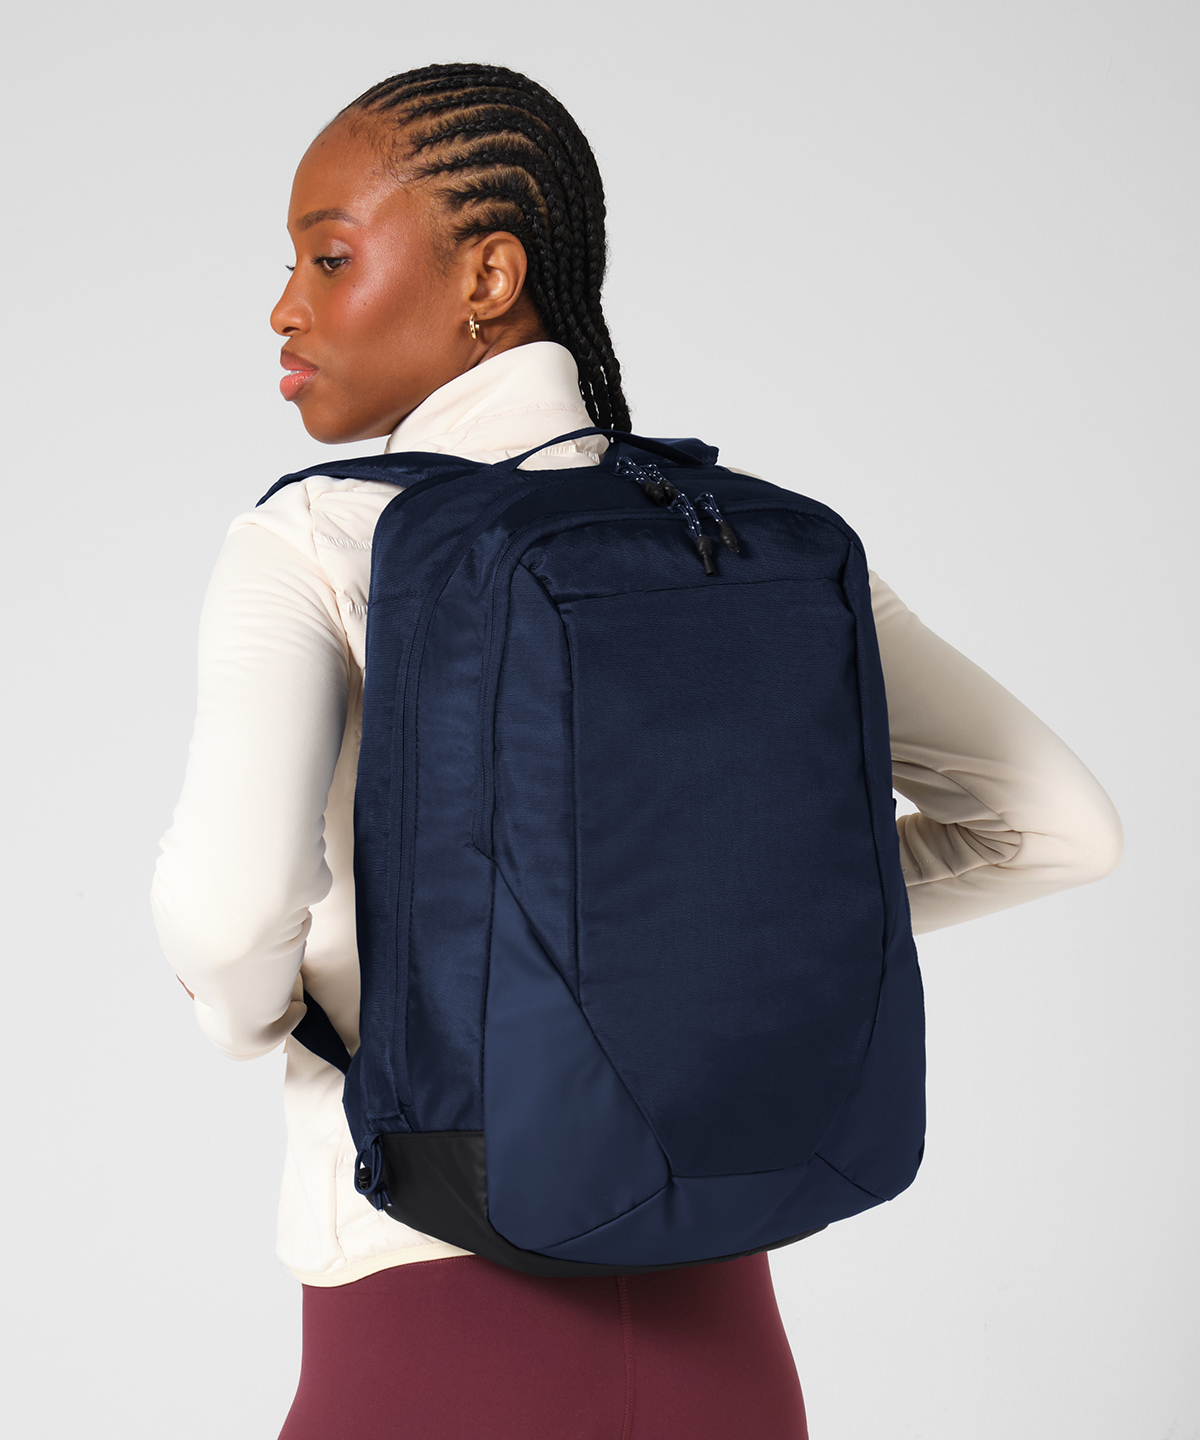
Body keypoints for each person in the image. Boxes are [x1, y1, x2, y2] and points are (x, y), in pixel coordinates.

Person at [151, 62, 1124, 1440]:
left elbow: (227, 914)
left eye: (330, 256)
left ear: (489, 275)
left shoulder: (312, 539)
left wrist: (251, 1017)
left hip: (428, 1337)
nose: (285, 307)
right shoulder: (743, 538)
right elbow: (1061, 826)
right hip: (725, 1352)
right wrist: (713, 939)